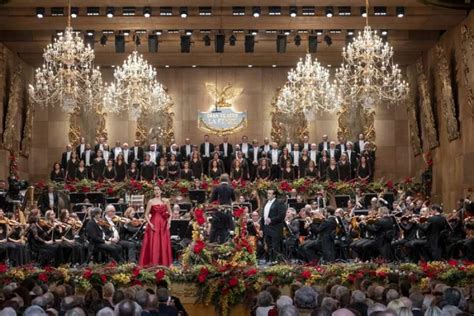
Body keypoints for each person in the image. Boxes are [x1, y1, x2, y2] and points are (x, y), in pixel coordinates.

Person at [139, 186, 172, 266]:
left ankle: (164, 263)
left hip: (163, 225)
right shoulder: (150, 201)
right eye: (155, 190)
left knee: (163, 243)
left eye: (158, 189)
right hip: (154, 224)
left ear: (161, 191)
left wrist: (169, 222)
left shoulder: (166, 201)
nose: (156, 191)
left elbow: (170, 213)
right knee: (154, 243)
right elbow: (146, 215)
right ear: (153, 192)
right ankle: (153, 263)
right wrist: (150, 224)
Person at [261, 189, 286, 263]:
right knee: (268, 245)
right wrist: (262, 228)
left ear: (274, 195)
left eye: (269, 193)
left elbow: (281, 216)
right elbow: (263, 216)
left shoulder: (279, 203)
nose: (268, 195)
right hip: (267, 227)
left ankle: (276, 261)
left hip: (275, 228)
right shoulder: (266, 203)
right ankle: (271, 260)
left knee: (275, 245)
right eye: (267, 193)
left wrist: (271, 220)